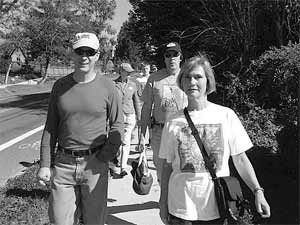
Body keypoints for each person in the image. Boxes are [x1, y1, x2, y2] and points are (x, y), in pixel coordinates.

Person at [159, 54, 271, 224]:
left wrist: (257, 191)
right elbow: (167, 166)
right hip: (181, 209)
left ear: (208, 81)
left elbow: (240, 159)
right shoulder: (173, 121)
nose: (192, 82)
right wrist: (162, 202)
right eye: (187, 77)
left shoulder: (226, 115)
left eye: (198, 77)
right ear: (181, 82)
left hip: (218, 208)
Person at [36, 32, 123, 225]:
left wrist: (105, 156)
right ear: (72, 54)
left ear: (97, 55)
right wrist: (44, 164)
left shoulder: (108, 87)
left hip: (94, 164)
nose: (84, 56)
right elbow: (51, 127)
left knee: (94, 221)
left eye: (90, 52)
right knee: (59, 220)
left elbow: (117, 125)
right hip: (63, 164)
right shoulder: (60, 86)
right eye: (80, 51)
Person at [139, 42, 188, 184]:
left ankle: (176, 203)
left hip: (183, 132)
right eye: (168, 55)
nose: (171, 58)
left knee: (183, 172)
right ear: (164, 58)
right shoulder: (154, 78)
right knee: (161, 172)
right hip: (160, 132)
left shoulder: (188, 77)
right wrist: (142, 135)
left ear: (180, 57)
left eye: (175, 54)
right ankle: (164, 202)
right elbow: (146, 108)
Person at [115, 62, 141, 177]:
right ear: (121, 71)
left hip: (129, 116)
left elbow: (136, 101)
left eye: (130, 72)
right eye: (127, 72)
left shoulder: (133, 85)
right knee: (116, 141)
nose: (129, 74)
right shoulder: (113, 84)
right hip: (117, 116)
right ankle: (116, 160)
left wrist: (139, 117)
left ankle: (122, 166)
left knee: (125, 142)